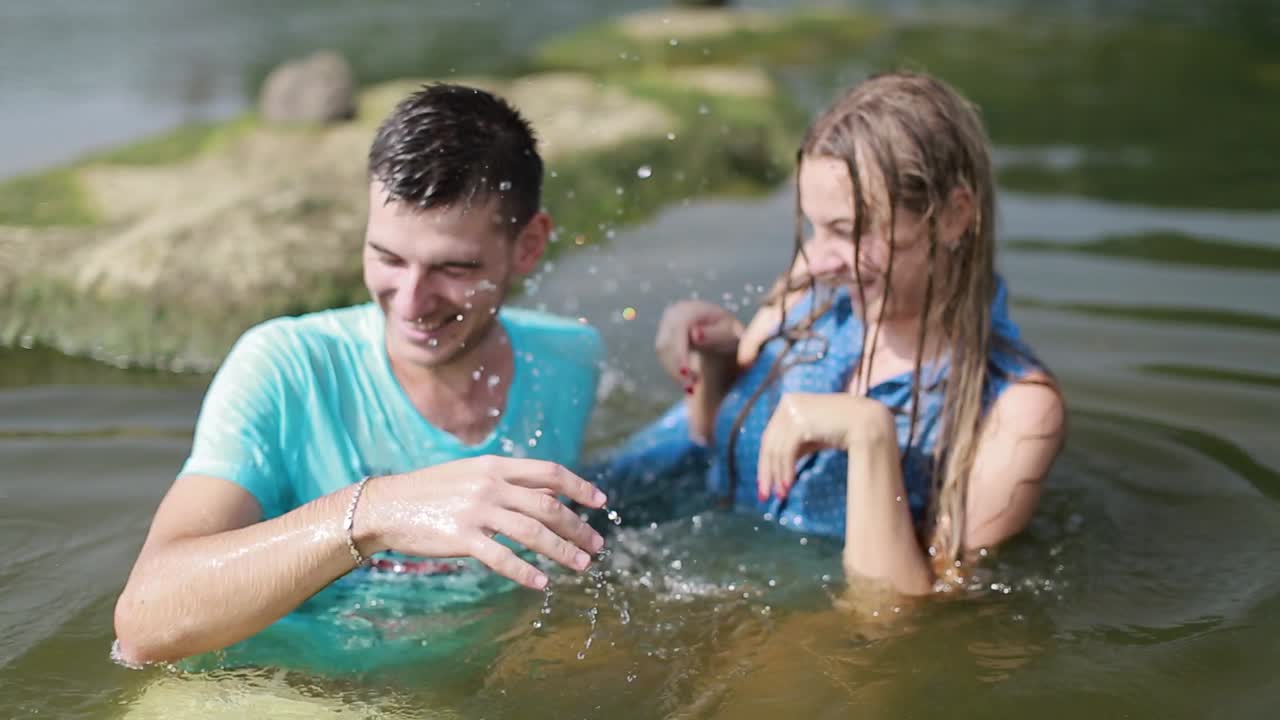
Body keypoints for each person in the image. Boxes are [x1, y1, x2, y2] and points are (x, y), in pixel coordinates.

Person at [113, 83, 611, 666]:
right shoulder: (285, 367)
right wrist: (375, 512)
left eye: (453, 267)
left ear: (528, 247)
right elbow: (146, 620)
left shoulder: (570, 360)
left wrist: (709, 375)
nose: (411, 301)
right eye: (388, 258)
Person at [589, 71, 1066, 596]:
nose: (815, 259)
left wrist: (869, 436)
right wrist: (716, 363)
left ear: (953, 217)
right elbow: (708, 449)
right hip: (683, 556)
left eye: (847, 230)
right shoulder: (807, 297)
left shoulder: (1017, 413)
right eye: (814, 227)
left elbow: (897, 621)